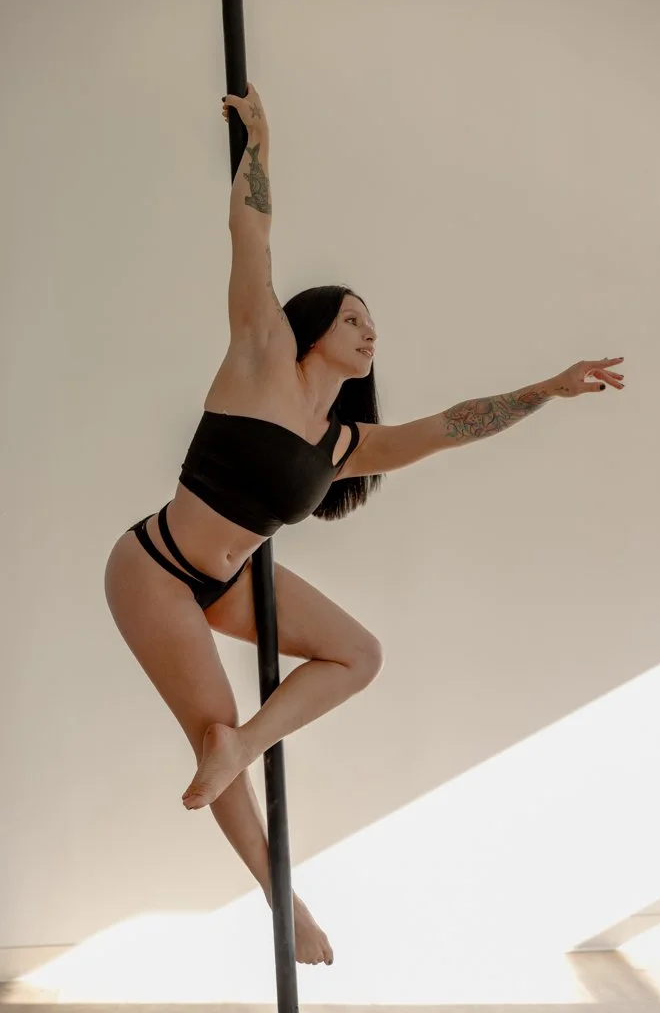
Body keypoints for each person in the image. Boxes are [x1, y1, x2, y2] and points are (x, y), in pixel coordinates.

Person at [104, 84, 625, 967]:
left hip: (229, 579)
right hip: (153, 568)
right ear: (312, 329)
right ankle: (284, 902)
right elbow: (250, 234)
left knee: (357, 655)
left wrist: (546, 387)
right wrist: (260, 142)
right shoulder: (260, 353)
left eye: (373, 324)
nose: (368, 331)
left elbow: (453, 426)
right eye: (351, 318)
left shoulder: (346, 444)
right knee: (208, 733)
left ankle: (241, 745)